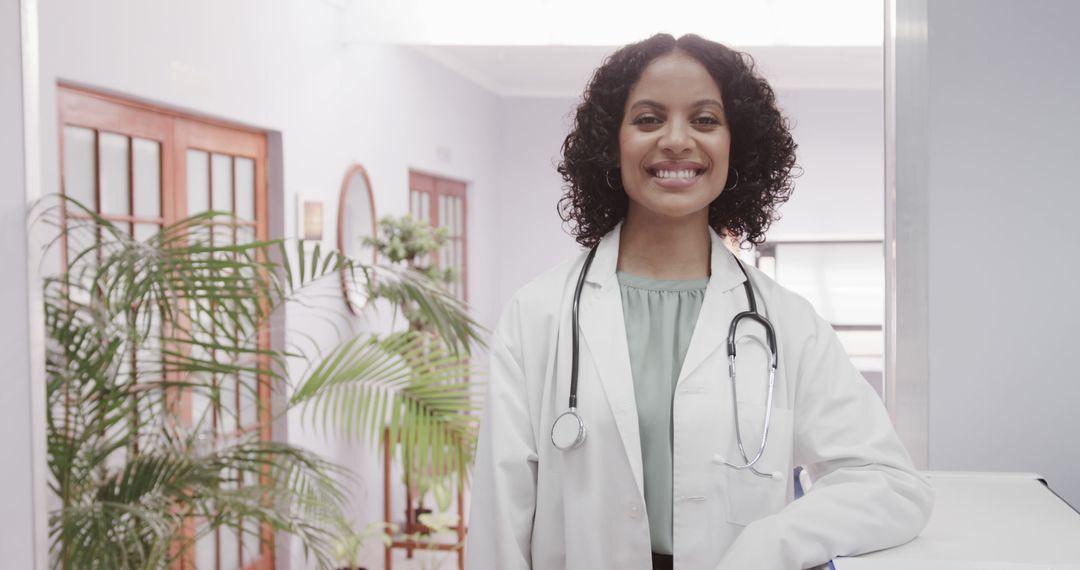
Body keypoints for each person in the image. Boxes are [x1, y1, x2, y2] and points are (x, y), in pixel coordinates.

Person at [465, 33, 933, 570]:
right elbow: (500, 520)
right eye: (647, 119)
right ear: (610, 144)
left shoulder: (786, 322)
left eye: (705, 120)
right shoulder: (539, 315)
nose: (676, 140)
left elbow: (892, 485)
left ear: (739, 145)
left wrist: (771, 542)